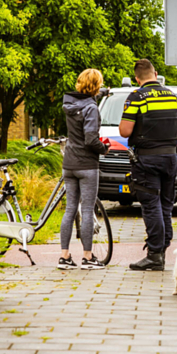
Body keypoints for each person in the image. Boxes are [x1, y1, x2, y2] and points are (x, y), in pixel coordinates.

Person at [119, 59, 177, 272]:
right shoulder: (172, 96)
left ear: (137, 78)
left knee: (151, 205)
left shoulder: (136, 97)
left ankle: (155, 254)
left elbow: (125, 131)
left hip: (147, 160)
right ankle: (162, 249)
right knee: (166, 204)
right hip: (170, 158)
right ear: (155, 74)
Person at [58, 68, 110, 270]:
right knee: (87, 210)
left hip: (69, 163)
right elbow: (90, 139)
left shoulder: (70, 104)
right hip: (87, 164)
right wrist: (103, 148)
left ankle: (64, 257)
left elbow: (89, 97)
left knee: (70, 209)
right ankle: (88, 258)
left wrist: (104, 92)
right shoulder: (91, 109)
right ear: (96, 86)